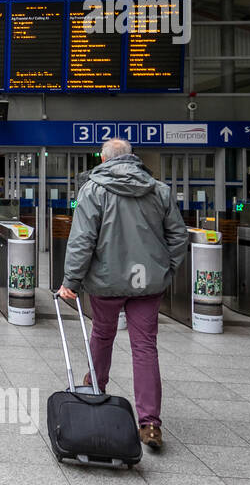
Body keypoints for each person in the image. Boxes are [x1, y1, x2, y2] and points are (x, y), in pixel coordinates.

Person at [58, 137, 187, 450]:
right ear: (133, 159)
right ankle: (150, 423)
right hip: (148, 284)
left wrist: (70, 282)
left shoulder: (94, 189)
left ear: (104, 160)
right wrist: (164, 270)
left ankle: (95, 394)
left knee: (102, 335)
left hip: (107, 281)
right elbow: (179, 236)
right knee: (145, 347)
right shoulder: (159, 190)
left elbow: (82, 240)